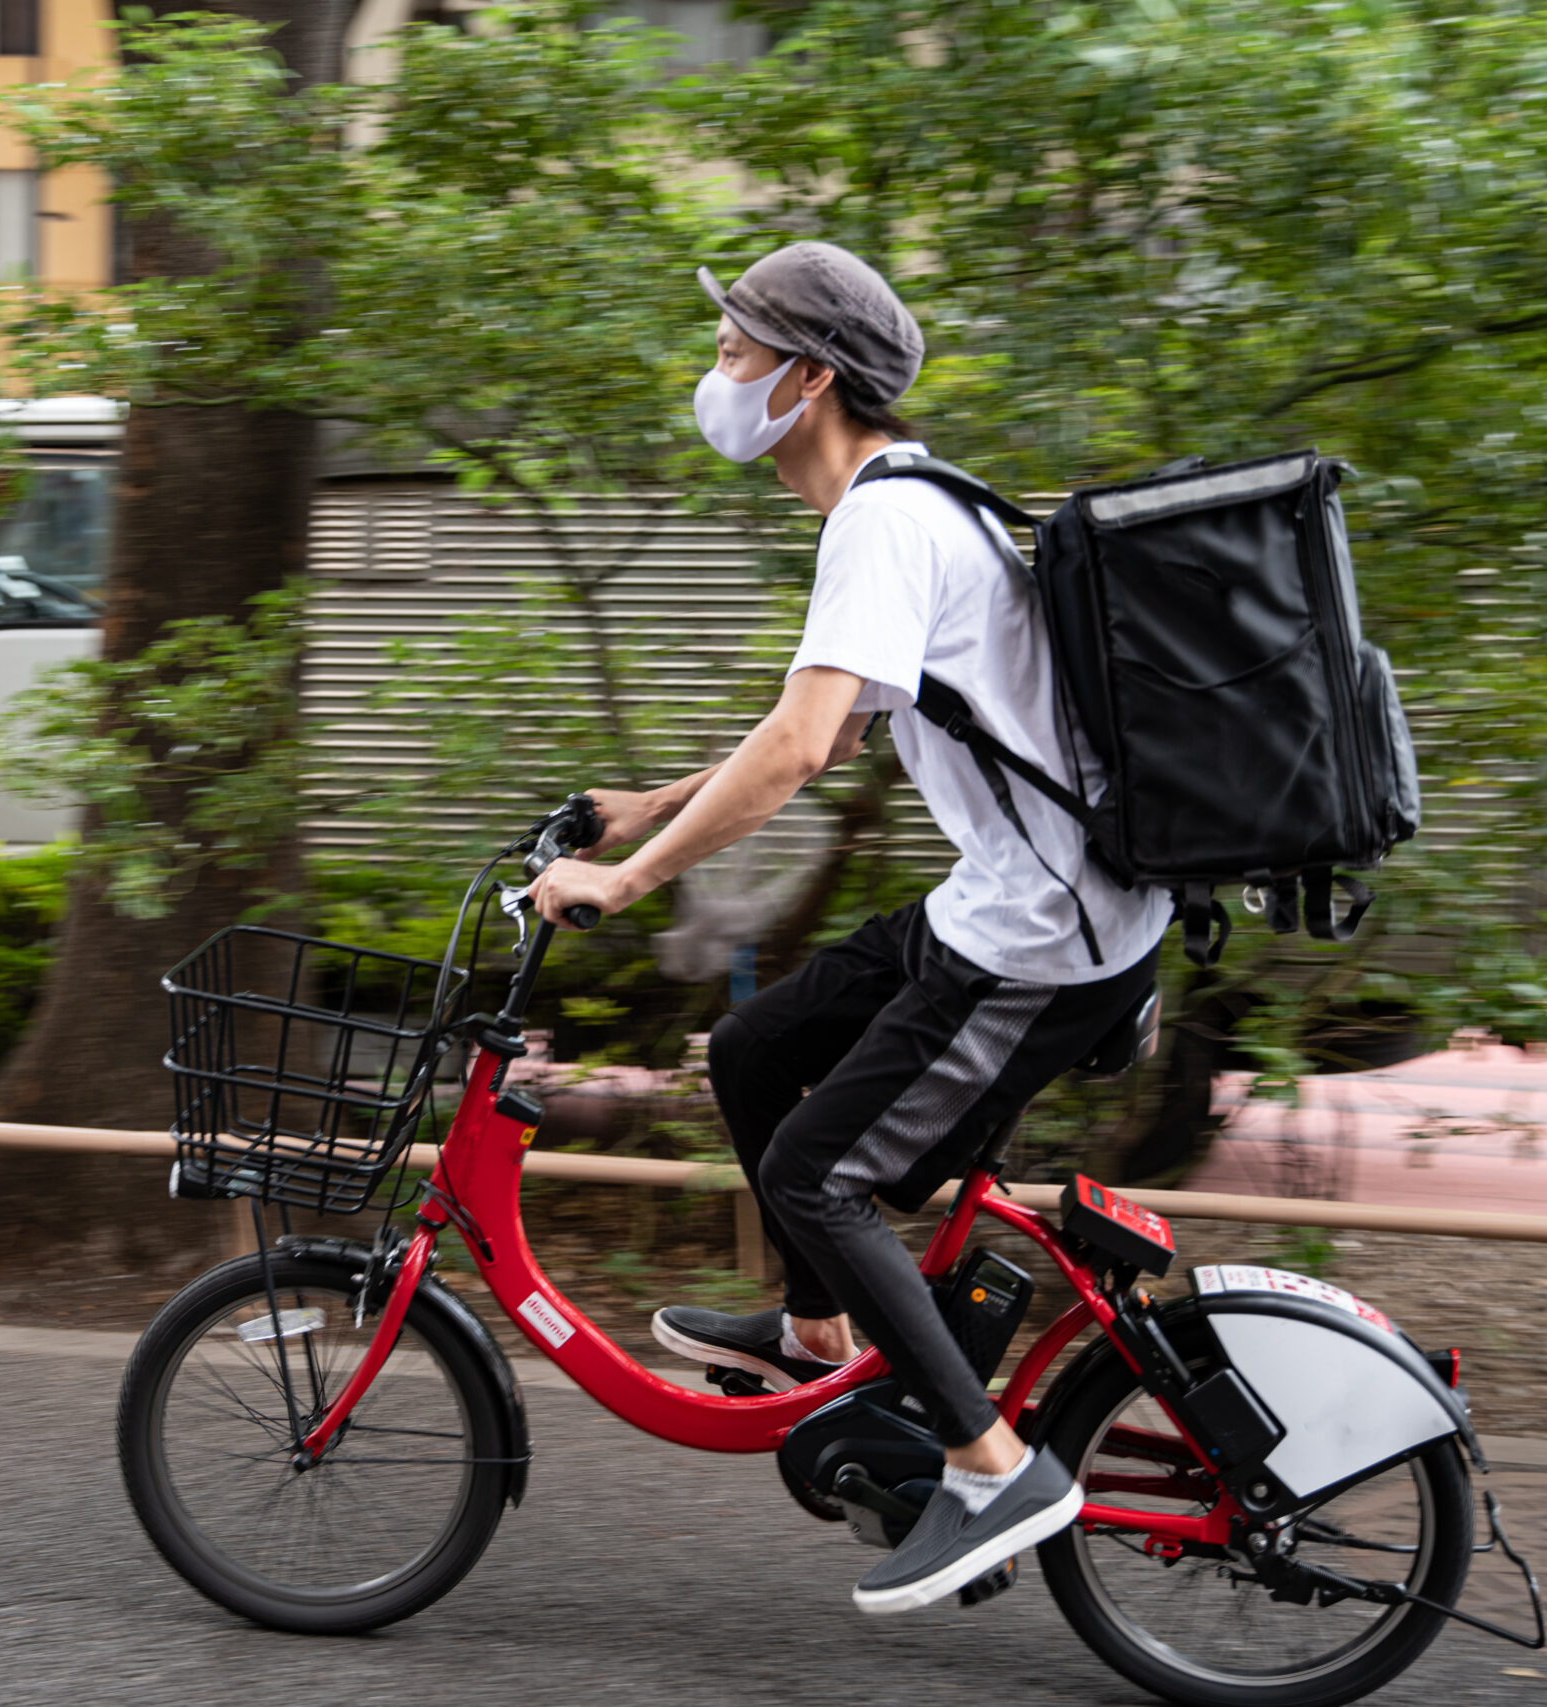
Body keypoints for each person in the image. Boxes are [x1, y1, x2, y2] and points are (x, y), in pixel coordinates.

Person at [525, 241, 1171, 1613]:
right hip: (1014, 900)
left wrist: (627, 886)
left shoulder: (887, 520)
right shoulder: (904, 506)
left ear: (807, 379)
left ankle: (995, 1472)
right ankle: (822, 1330)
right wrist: (645, 804)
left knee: (822, 1172)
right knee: (756, 1045)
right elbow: (817, 714)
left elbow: (805, 746)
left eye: (733, 352)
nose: (715, 374)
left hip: (1045, 936)